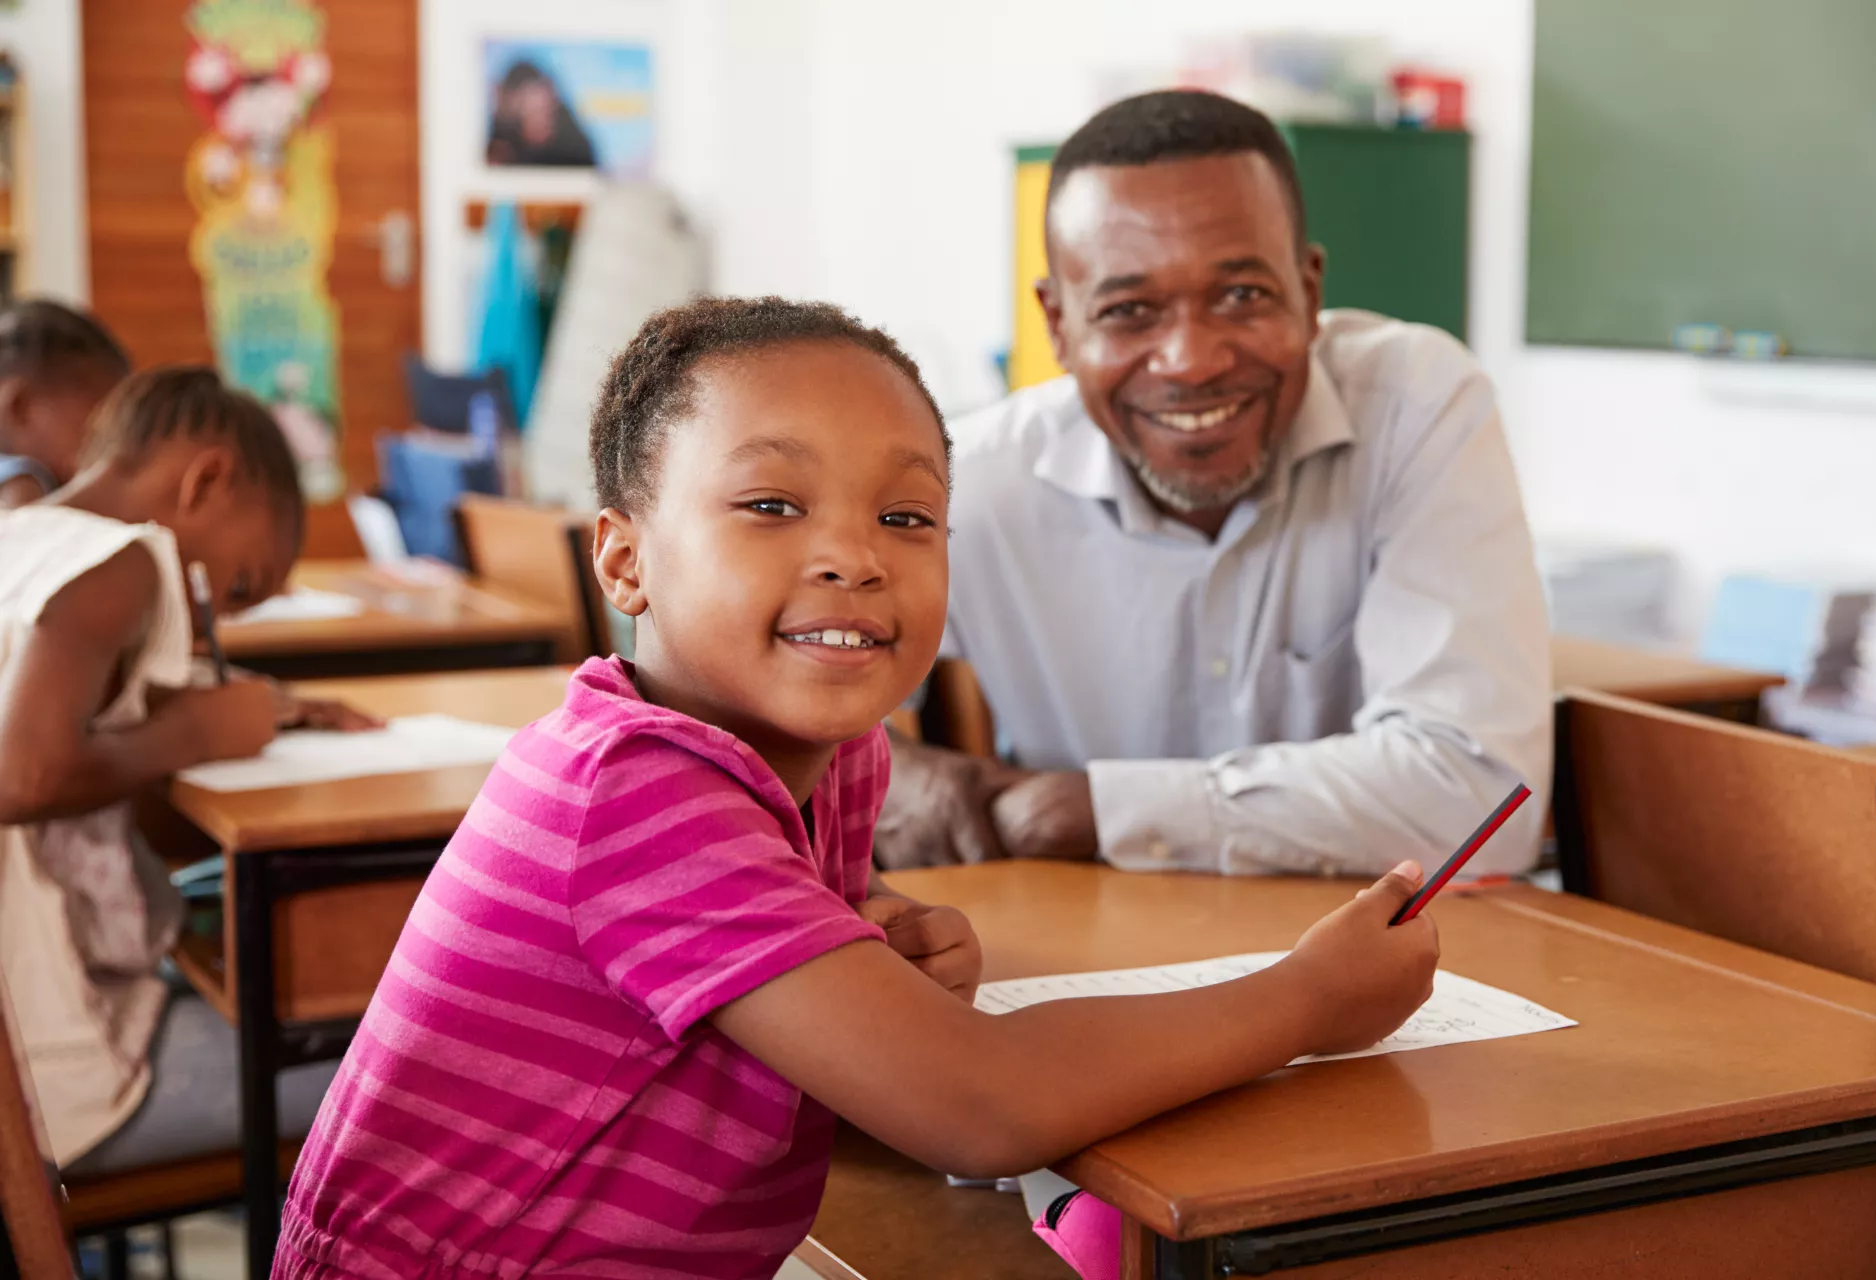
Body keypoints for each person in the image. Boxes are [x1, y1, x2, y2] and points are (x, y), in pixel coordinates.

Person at [272, 297, 1441, 1280]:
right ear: (624, 557)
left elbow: (856, 1049)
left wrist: (878, 960)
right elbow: (978, 1107)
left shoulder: (835, 759)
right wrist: (1307, 997)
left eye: (906, 515)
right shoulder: (631, 785)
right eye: (773, 506)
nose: (856, 554)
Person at [878, 90, 1551, 878]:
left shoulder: (1415, 408)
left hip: (1376, 954)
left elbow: (1481, 803)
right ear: (1058, 325)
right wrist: (888, 770)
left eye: (1242, 296)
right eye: (1130, 310)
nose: (1191, 360)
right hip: (1089, 954)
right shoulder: (969, 483)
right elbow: (774, 703)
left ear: (1309, 291)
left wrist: (1082, 810)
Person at [0, 367, 372, 1177]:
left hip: (27, 1039)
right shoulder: (124, 560)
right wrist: (195, 733)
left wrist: (270, 705)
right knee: (395, 1079)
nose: (214, 625)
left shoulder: (23, 534)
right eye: (237, 588)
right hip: (50, 1087)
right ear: (208, 480)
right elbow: (20, 778)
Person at [0, 298, 131, 509]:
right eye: (95, 430)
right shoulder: (21, 478)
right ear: (21, 408)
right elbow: (28, 532)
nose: (108, 447)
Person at [486, 59, 598, 168]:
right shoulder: (499, 150)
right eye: (534, 112)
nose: (544, 122)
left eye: (548, 112)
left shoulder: (573, 149)